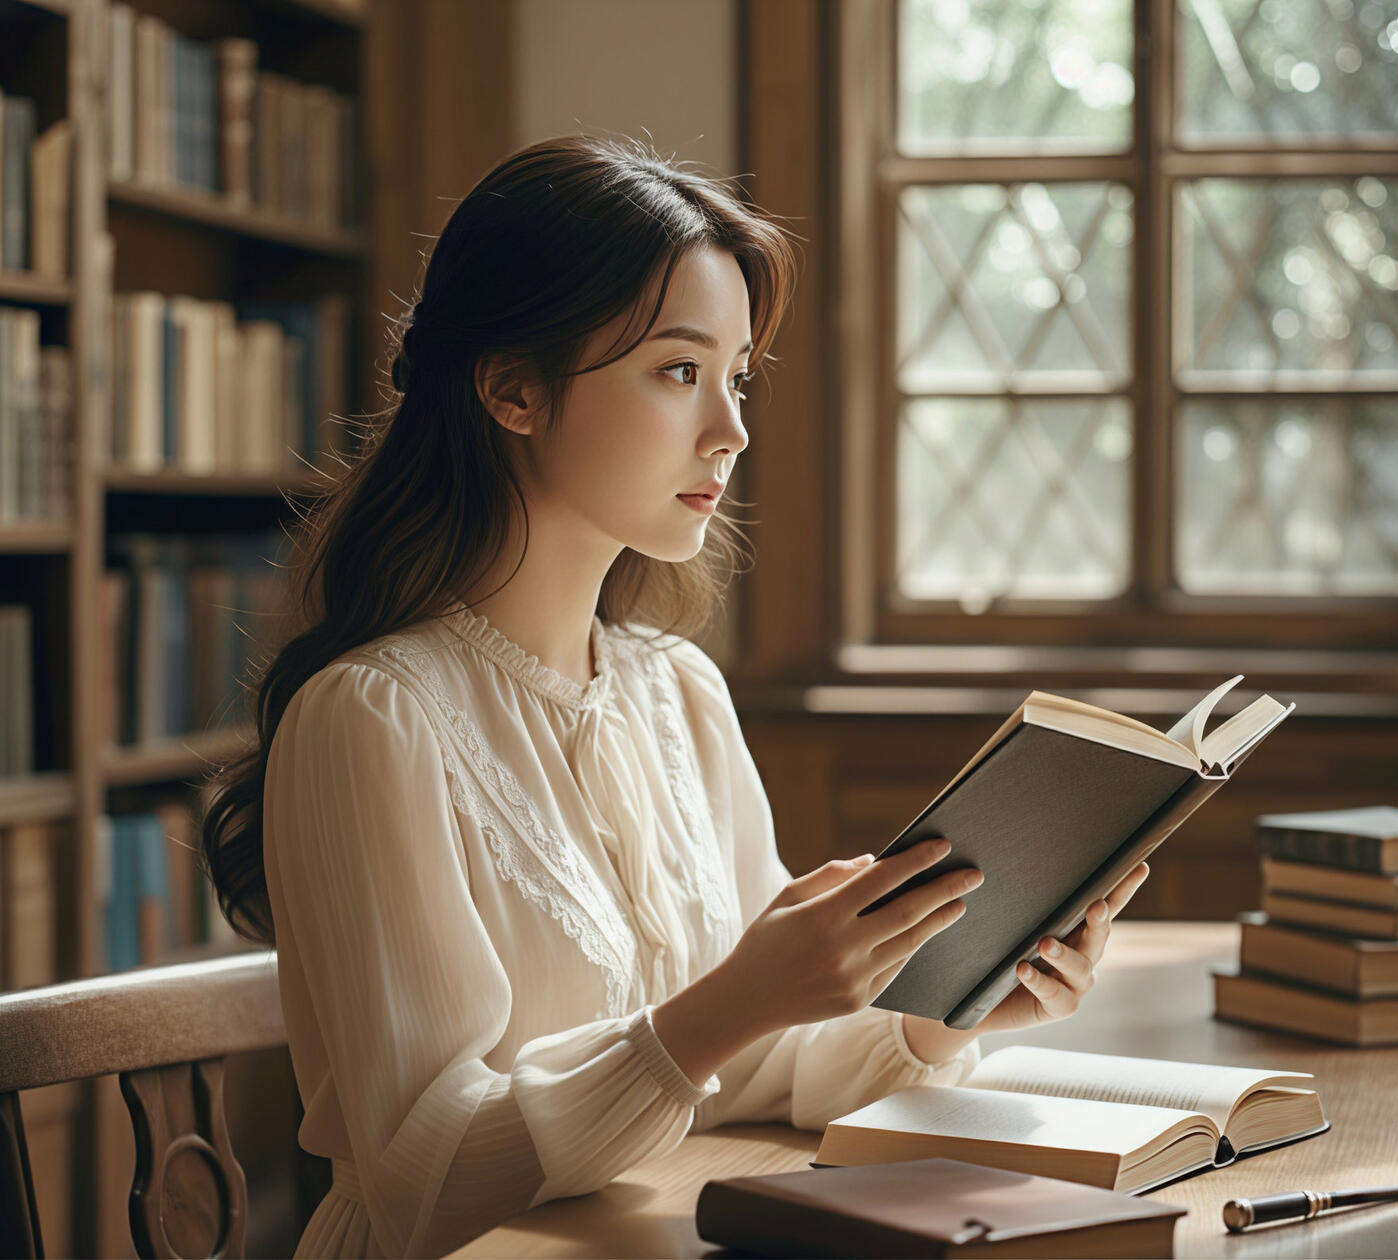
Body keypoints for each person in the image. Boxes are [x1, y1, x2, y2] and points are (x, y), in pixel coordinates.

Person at [199, 134, 1150, 1260]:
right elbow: (422, 1173)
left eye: (737, 377)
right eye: (677, 370)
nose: (732, 429)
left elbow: (747, 1067)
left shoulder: (677, 694)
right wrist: (730, 1004)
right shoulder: (371, 720)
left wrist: (957, 999)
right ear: (511, 389)